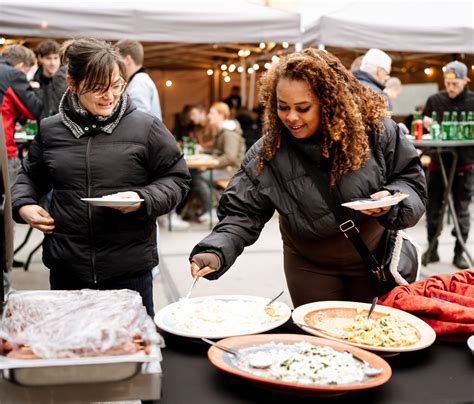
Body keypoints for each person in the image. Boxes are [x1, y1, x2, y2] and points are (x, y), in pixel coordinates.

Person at [189, 49, 427, 307]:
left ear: (329, 102)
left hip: (372, 260)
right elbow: (242, 212)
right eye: (283, 106)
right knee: (321, 341)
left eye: (303, 108)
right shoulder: (267, 151)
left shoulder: (377, 131)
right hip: (308, 267)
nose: (291, 117)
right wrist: (215, 249)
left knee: (371, 339)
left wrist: (394, 200)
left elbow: (410, 180)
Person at [11, 38, 191, 317]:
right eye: (98, 88)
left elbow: (178, 178)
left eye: (117, 85)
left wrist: (144, 198)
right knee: (73, 349)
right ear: (72, 84)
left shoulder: (146, 128)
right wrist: (24, 204)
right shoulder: (50, 130)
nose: (110, 96)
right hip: (67, 268)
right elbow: (30, 175)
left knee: (132, 352)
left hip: (128, 271)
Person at [421, 60, 474, 269]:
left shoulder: (473, 101)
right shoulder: (435, 100)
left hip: (464, 166)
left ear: (465, 81)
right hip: (437, 164)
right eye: (447, 83)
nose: (450, 88)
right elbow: (423, 124)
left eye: (455, 84)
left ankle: (458, 252)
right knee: (432, 209)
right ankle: (432, 249)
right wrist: (427, 123)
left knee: (462, 211)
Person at [115, 39, 162, 119]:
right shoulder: (140, 80)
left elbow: (138, 118)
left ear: (128, 60)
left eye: (117, 60)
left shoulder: (139, 82)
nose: (115, 64)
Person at [33, 39, 68, 122]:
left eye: (56, 58)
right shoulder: (33, 82)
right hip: (40, 128)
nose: (52, 63)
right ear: (40, 58)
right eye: (48, 58)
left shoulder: (68, 81)